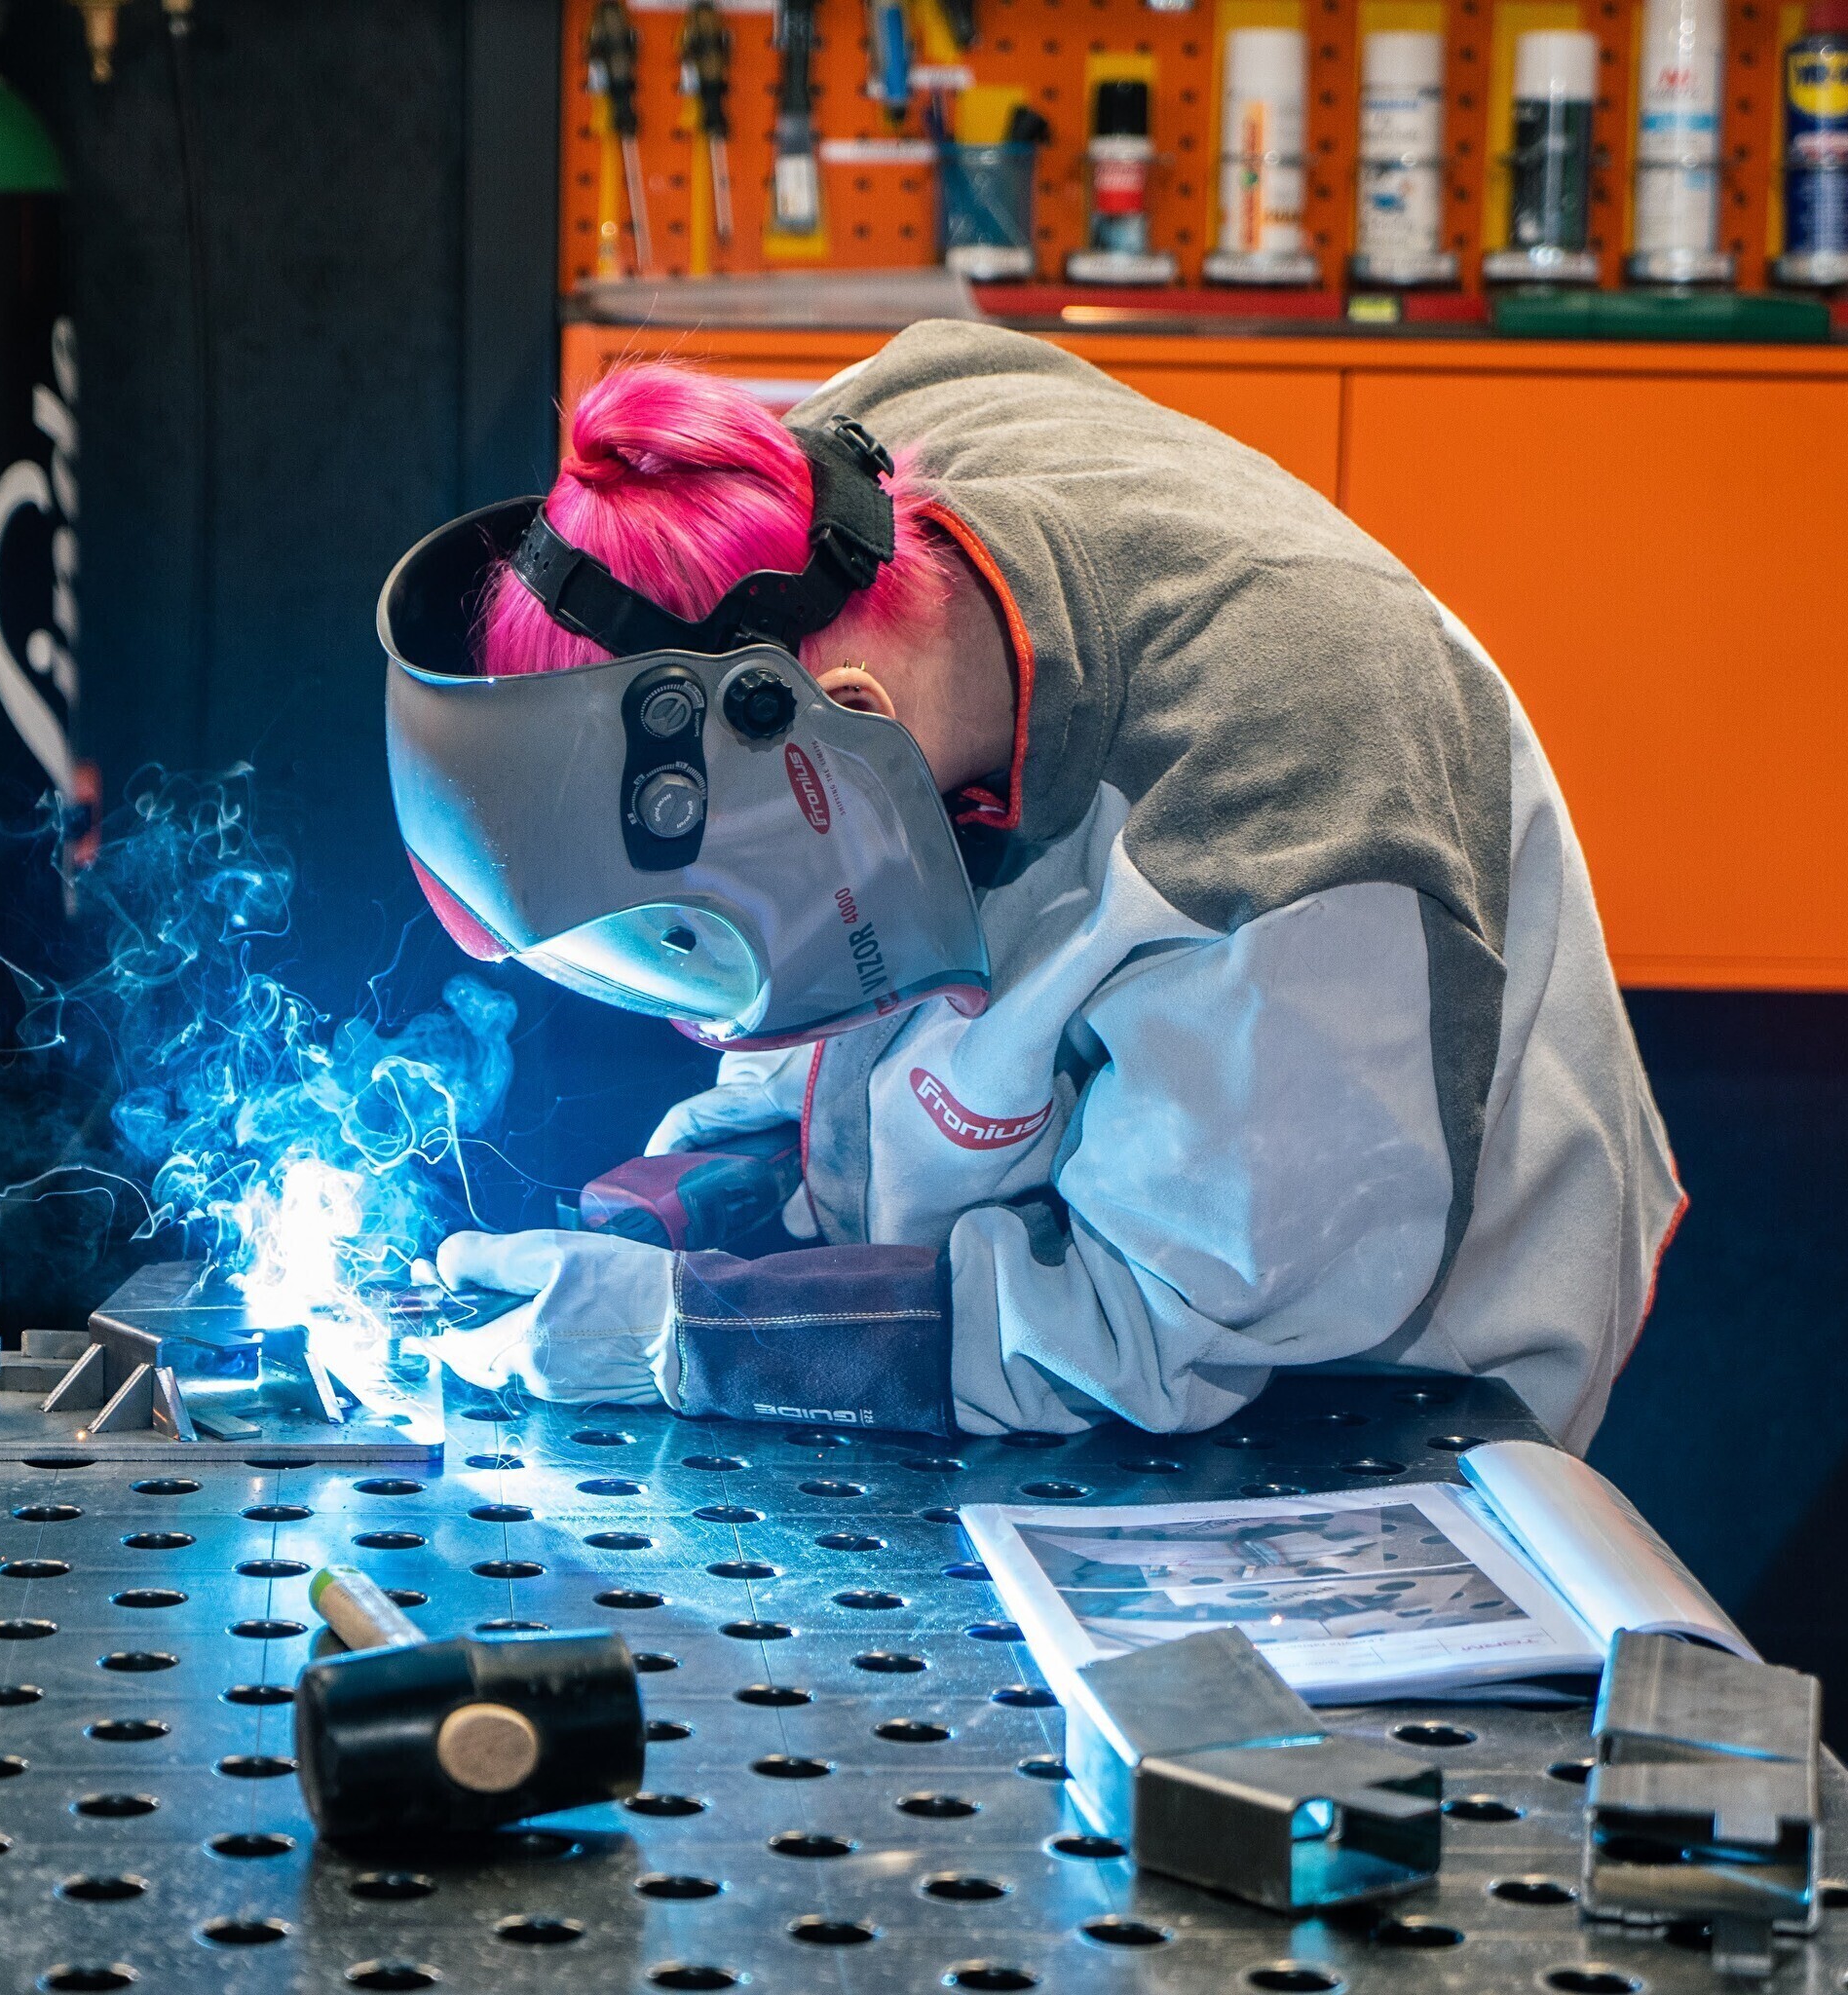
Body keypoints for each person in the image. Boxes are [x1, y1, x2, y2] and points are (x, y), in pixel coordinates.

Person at [378, 320, 1680, 1448]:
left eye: (689, 936)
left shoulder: (1280, 833)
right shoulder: (826, 487)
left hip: (1362, 1399)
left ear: (844, 725)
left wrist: (693, 1332)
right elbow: (848, 927)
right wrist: (749, 1164)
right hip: (1153, 1207)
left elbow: (1142, 1337)